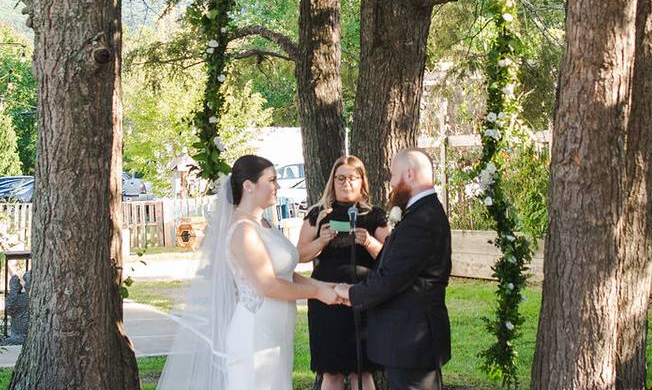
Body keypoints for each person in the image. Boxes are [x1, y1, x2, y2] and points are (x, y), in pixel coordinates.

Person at [157, 154, 342, 390]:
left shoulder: (265, 224)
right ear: (249, 186)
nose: (278, 186)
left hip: (276, 331)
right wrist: (317, 293)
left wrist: (326, 286)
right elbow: (268, 285)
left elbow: (283, 274)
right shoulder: (243, 231)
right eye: (272, 180)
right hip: (255, 332)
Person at [335, 148, 452, 390]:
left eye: (392, 175)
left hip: (411, 342)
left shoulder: (421, 220)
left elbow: (392, 278)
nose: (390, 183)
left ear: (409, 174)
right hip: (408, 342)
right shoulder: (421, 213)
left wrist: (351, 293)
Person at [297, 155, 390, 390]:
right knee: (331, 371)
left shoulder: (375, 215)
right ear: (332, 181)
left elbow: (391, 259)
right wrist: (321, 241)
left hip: (363, 298)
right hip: (325, 299)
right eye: (340, 178)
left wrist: (369, 242)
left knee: (364, 372)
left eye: (352, 178)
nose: (346, 183)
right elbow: (299, 255)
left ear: (362, 182)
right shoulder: (319, 214)